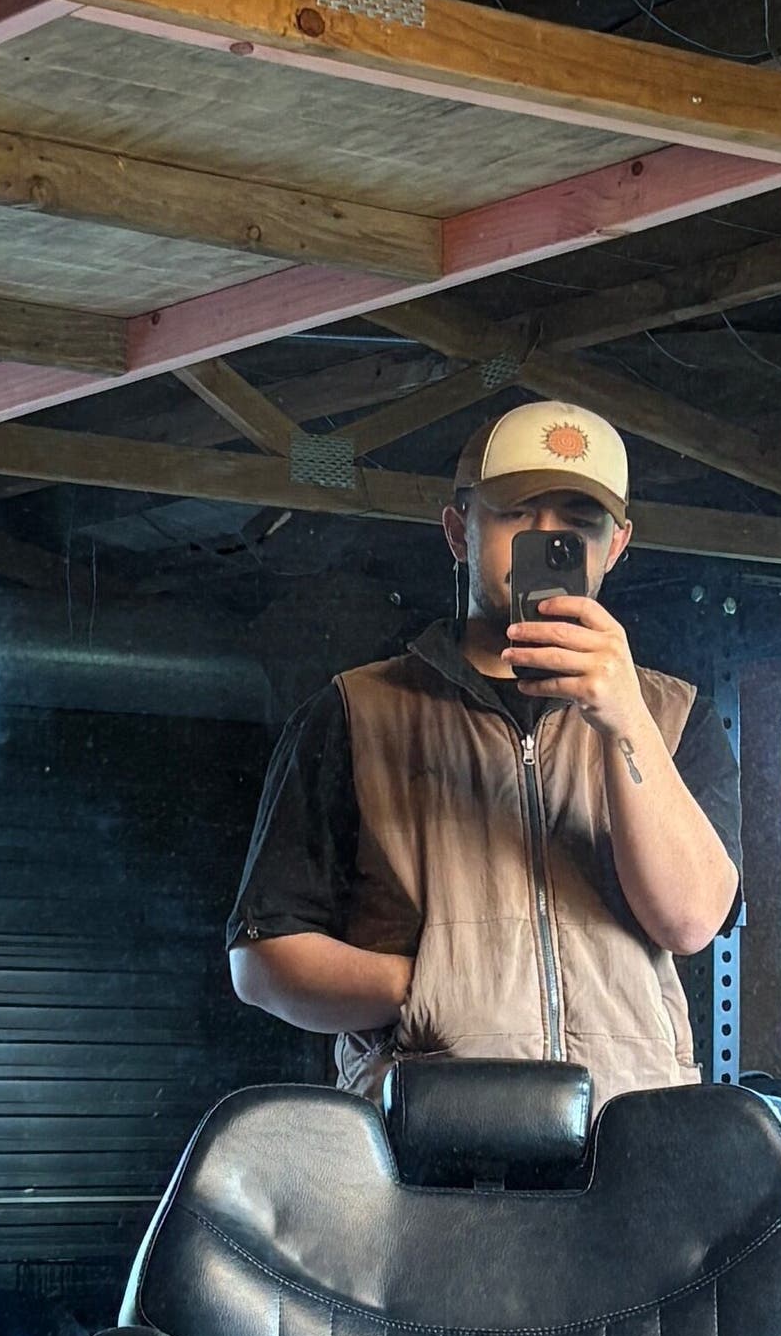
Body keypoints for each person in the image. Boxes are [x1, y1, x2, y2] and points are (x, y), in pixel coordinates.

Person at [225, 400, 742, 1102]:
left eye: (579, 522)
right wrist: (426, 983)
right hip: (429, 1153)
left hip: (626, 1144)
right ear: (457, 529)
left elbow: (689, 921)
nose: (548, 538)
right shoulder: (354, 714)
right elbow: (261, 960)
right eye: (517, 514)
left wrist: (624, 720)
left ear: (617, 545)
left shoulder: (675, 718)